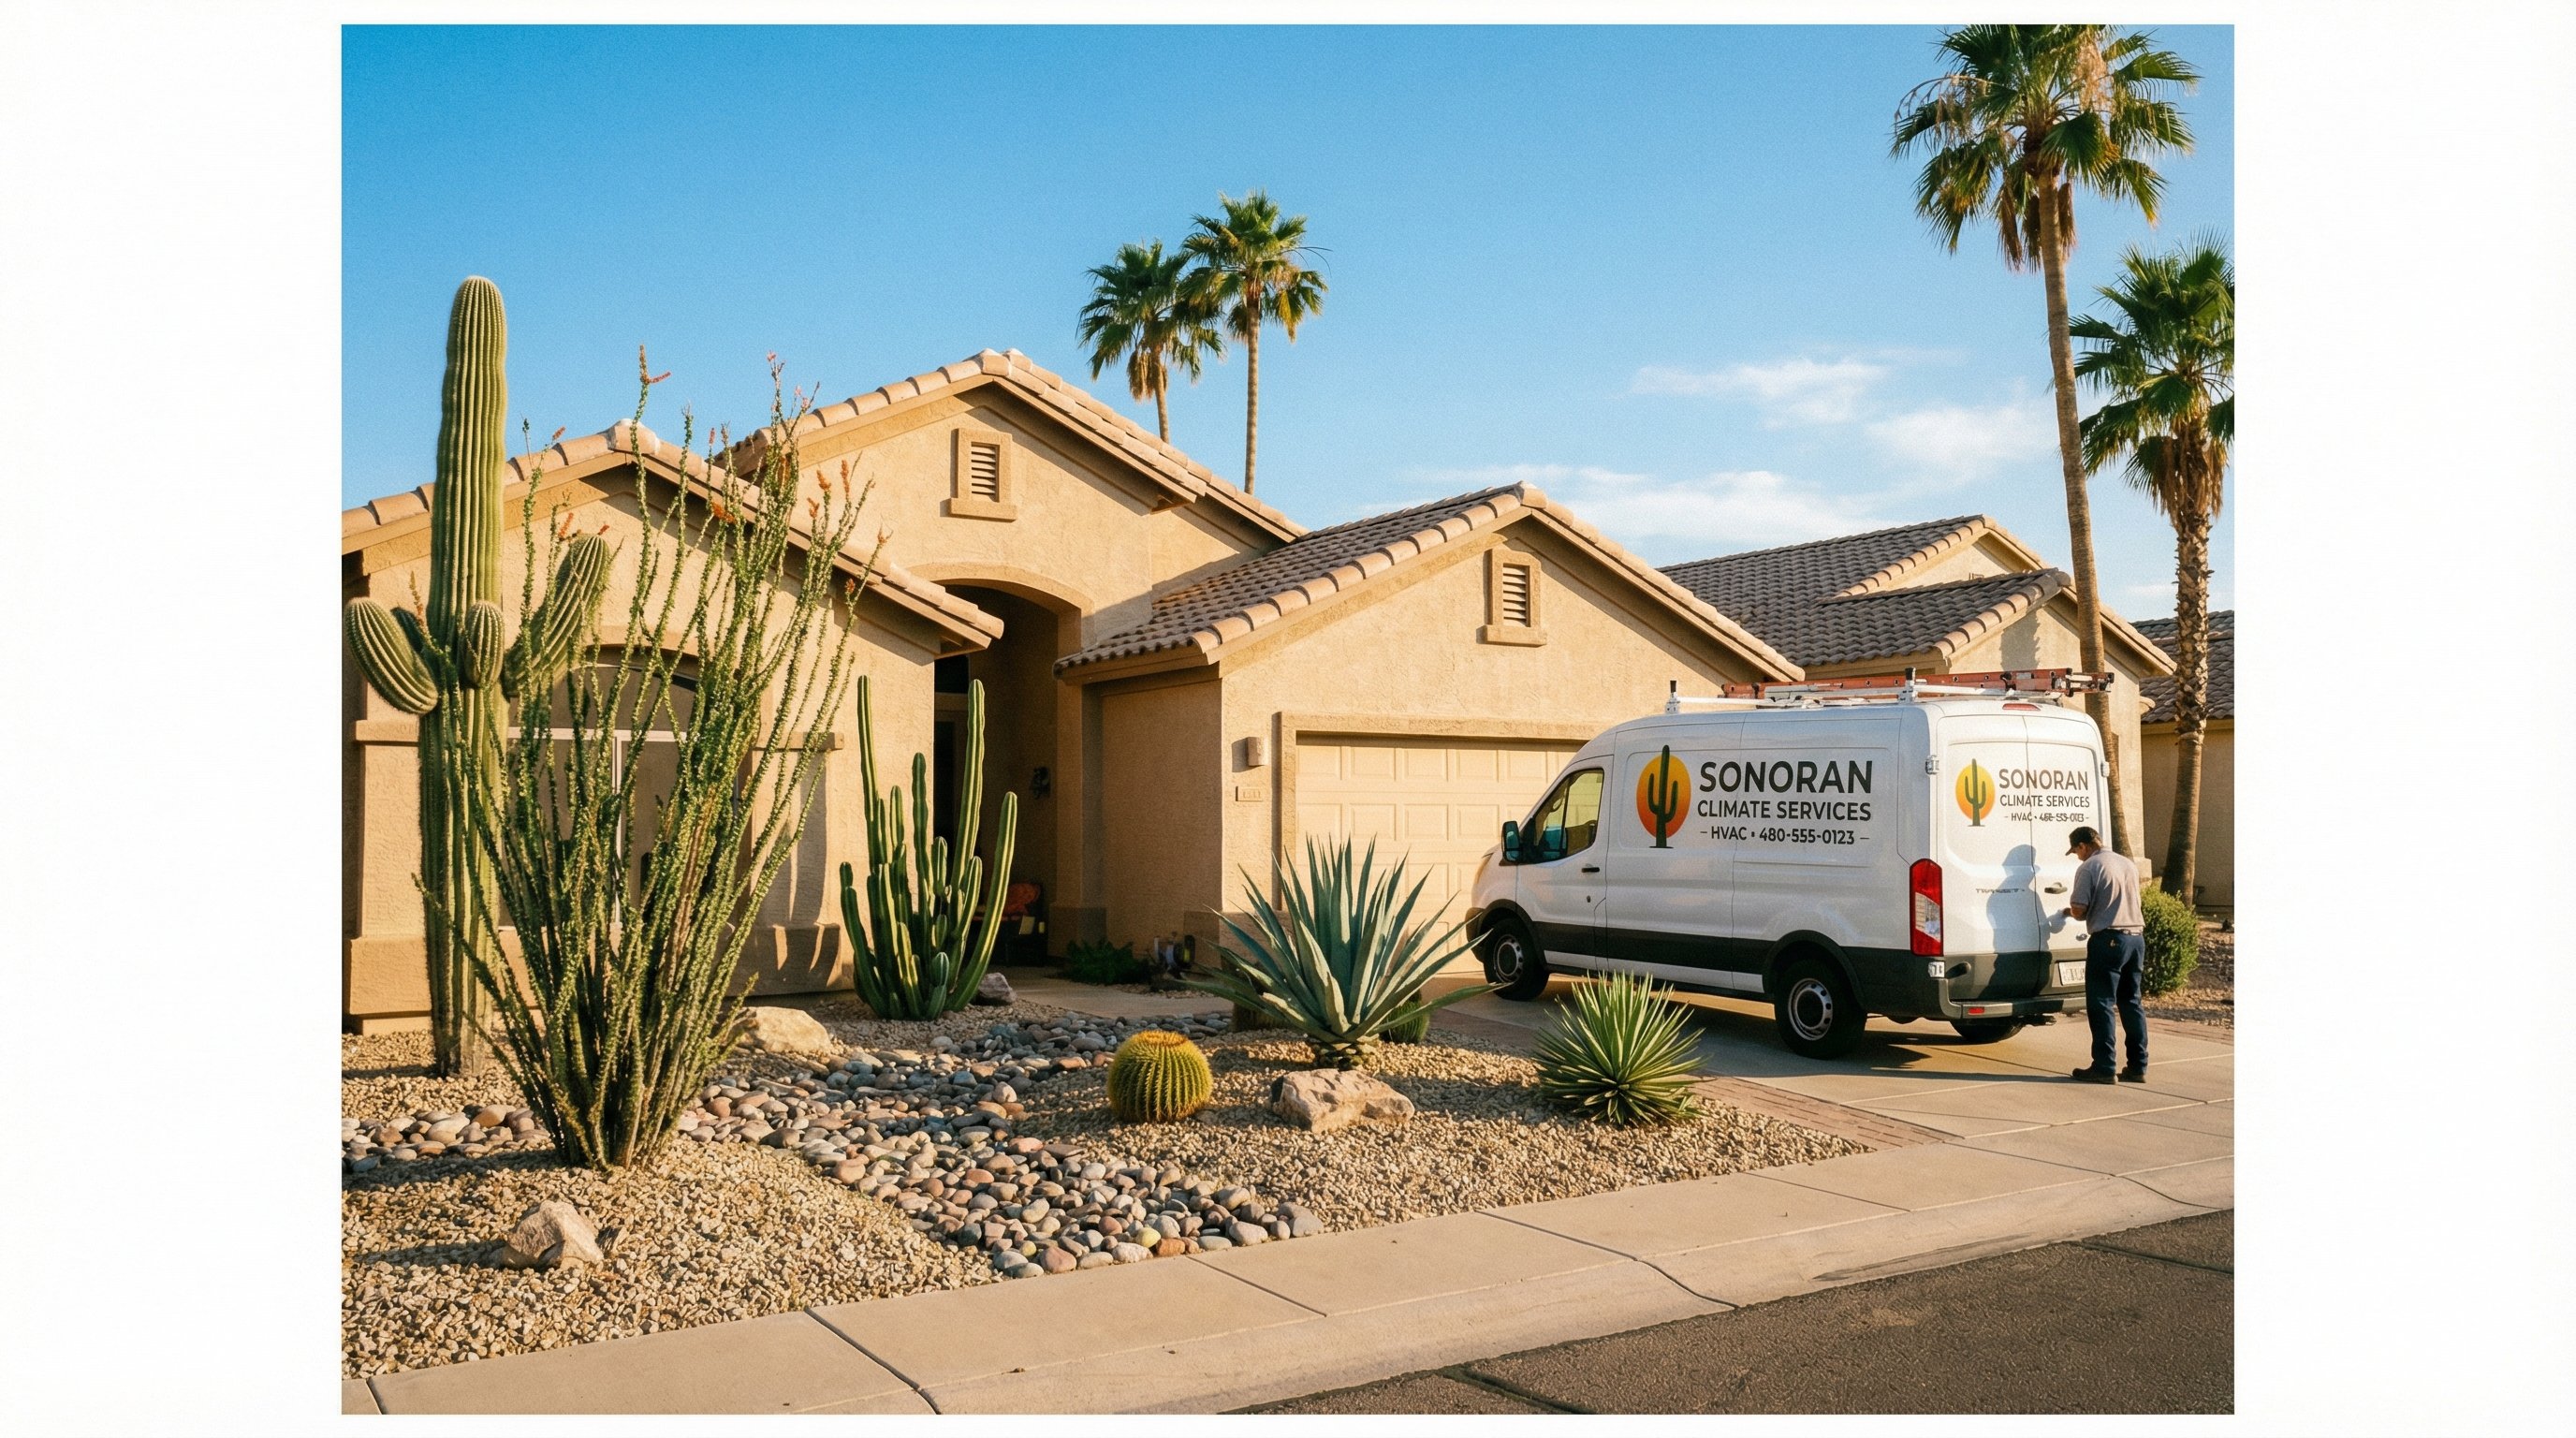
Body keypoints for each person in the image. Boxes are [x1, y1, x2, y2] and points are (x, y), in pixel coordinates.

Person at [2061, 825, 2147, 1083]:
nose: (2077, 856)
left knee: (2101, 1004)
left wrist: (2067, 912)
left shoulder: (2090, 867)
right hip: (2135, 938)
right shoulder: (2127, 864)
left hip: (2108, 940)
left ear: (2084, 846)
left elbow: (2079, 908)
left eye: (2076, 851)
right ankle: (2137, 1066)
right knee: (2131, 1003)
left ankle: (2104, 1066)